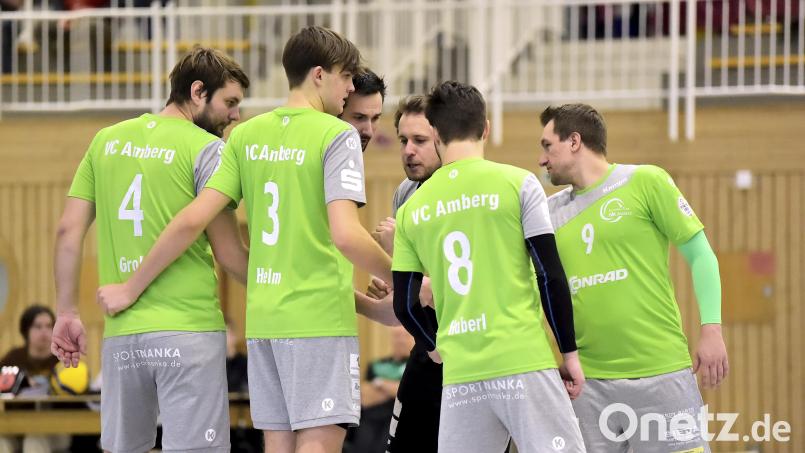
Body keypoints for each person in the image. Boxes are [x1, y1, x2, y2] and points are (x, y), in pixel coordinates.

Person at [96, 26, 393, 453]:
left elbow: (190, 219)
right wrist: (408, 278)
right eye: (346, 76)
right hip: (319, 322)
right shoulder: (335, 135)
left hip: (265, 323)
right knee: (319, 443)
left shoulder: (246, 136)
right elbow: (346, 236)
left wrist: (130, 285)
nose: (350, 86)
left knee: (279, 445)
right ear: (319, 74)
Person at [52, 47, 250, 453]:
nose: (236, 116)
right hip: (189, 332)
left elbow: (67, 231)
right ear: (198, 92)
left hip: (124, 336)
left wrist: (67, 312)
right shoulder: (209, 150)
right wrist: (294, 281)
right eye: (230, 103)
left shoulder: (105, 141)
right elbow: (232, 256)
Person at [392, 81, 586, 452]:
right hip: (522, 360)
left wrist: (434, 346)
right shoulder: (518, 183)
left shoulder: (411, 210)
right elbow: (549, 275)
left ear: (434, 132)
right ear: (485, 128)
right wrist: (569, 354)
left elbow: (405, 304)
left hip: (461, 373)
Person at [539, 103, 728, 452]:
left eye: (548, 145)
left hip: (662, 374)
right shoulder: (548, 214)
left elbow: (701, 255)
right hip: (589, 387)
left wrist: (712, 328)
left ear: (574, 141)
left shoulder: (645, 181)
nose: (542, 159)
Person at [365, 94, 444, 452]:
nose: (408, 150)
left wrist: (402, 261)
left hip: (470, 354)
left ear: (444, 139)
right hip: (427, 348)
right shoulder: (405, 192)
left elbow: (460, 285)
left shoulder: (467, 192)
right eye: (403, 141)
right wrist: (399, 287)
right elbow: (416, 288)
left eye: (420, 141)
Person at [0, 305, 69, 453]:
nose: (44, 331)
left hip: (55, 427)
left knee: (34, 438)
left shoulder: (63, 360)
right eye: (37, 326)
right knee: (2, 441)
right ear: (26, 331)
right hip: (16, 425)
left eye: (49, 326)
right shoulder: (13, 358)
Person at [345, 326, 412, 453]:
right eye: (397, 336)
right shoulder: (377, 365)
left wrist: (380, 384)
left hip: (399, 419)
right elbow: (364, 396)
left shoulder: (416, 366)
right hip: (371, 418)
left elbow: (412, 393)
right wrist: (395, 389)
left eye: (405, 336)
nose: (401, 340)